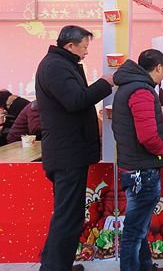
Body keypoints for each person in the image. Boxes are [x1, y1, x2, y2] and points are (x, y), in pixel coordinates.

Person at [35, 25, 114, 271]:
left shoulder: (61, 64)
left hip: (69, 151)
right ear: (70, 45)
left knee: (67, 214)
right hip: (67, 152)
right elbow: (75, 100)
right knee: (68, 216)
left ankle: (56, 265)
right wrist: (104, 83)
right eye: (84, 47)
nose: (86, 52)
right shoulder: (56, 67)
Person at [112, 49, 163, 271]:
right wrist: (162, 150)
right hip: (142, 170)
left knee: (139, 226)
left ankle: (145, 266)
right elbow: (147, 136)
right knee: (134, 231)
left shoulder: (130, 86)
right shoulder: (141, 90)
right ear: (158, 67)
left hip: (134, 166)